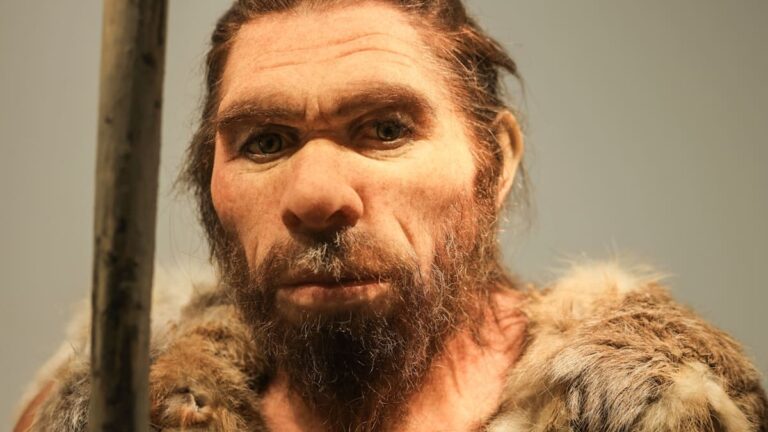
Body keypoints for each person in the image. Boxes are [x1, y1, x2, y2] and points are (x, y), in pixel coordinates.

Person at [15, 1, 767, 431]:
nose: (316, 196)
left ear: (496, 161)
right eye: (265, 142)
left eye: (384, 129)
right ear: (209, 180)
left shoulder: (666, 414)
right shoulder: (111, 406)